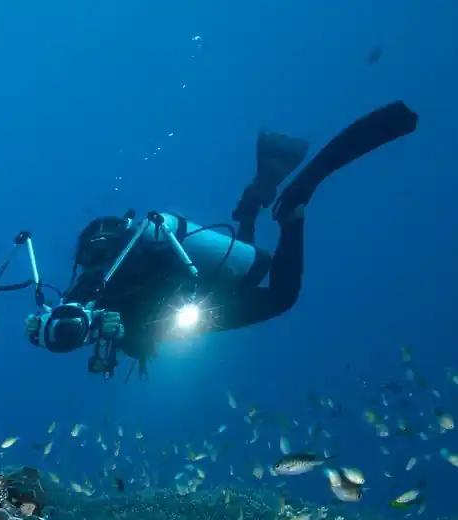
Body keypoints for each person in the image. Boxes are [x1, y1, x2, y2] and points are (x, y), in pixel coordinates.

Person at [23, 102, 419, 375]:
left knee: (279, 297)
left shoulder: (90, 291)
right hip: (186, 287)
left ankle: (290, 213)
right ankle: (254, 200)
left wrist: (117, 330)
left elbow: (138, 332)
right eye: (68, 340)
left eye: (65, 332)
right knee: (243, 269)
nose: (74, 333)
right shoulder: (84, 294)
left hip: (183, 296)